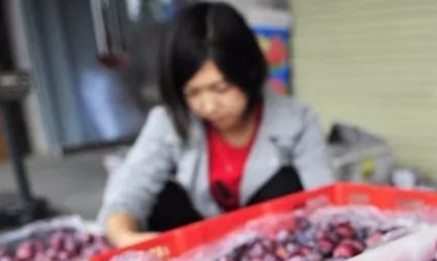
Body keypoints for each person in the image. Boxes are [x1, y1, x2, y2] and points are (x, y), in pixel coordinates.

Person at [98, 2, 333, 247]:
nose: (209, 106)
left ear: (248, 72)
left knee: (287, 184)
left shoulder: (298, 121)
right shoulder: (169, 121)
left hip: (277, 246)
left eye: (221, 88)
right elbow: (129, 190)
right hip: (202, 249)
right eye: (193, 93)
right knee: (159, 197)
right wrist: (125, 236)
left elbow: (328, 202)